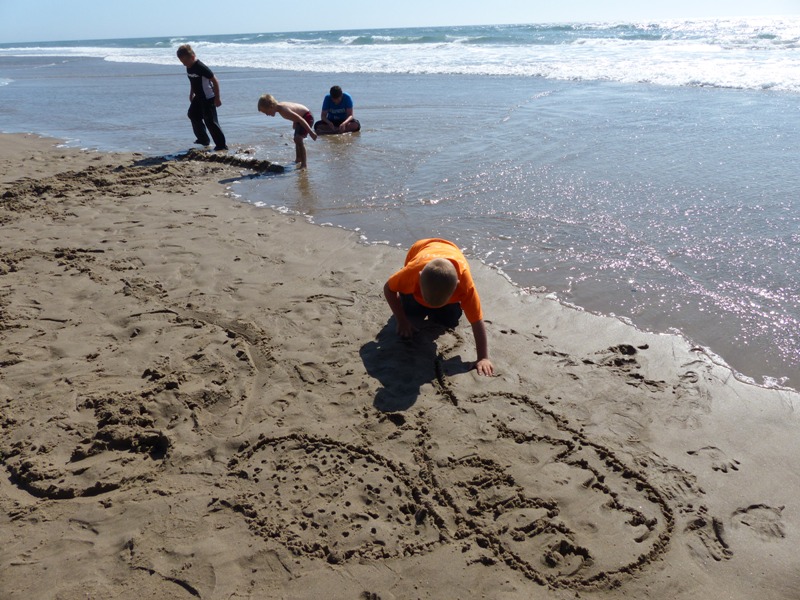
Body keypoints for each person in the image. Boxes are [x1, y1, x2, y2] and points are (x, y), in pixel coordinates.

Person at [383, 238, 495, 376]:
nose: (430, 306)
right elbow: (389, 289)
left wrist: (483, 357)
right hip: (420, 249)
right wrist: (402, 320)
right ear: (419, 277)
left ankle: (437, 305)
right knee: (411, 311)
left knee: (449, 320)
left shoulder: (465, 286)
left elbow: (477, 320)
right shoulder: (411, 273)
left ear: (456, 286)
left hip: (451, 251)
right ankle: (414, 300)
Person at [176, 44, 227, 151]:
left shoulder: (201, 67)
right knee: (192, 114)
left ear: (192, 57)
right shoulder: (188, 67)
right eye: (182, 62)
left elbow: (215, 81)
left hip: (208, 97)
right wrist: (191, 94)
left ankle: (221, 145)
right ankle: (203, 139)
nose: (184, 64)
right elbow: (192, 81)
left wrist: (217, 98)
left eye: (185, 62)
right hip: (198, 97)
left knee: (210, 121)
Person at [257, 94, 318, 169]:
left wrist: (311, 132)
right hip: (301, 117)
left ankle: (304, 164)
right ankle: (298, 159)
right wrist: (294, 122)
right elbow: (295, 112)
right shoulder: (280, 108)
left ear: (271, 107)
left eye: (266, 112)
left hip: (307, 117)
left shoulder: (283, 110)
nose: (266, 115)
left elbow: (300, 118)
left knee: (298, 138)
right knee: (296, 139)